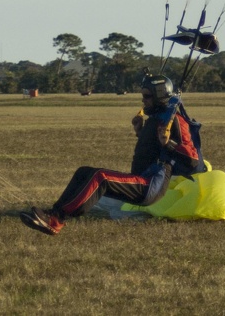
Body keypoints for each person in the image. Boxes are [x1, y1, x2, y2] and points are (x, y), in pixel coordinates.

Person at [19, 74, 201, 236]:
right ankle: (53, 214)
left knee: (101, 178)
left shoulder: (176, 120)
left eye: (147, 96)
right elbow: (151, 149)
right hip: (140, 178)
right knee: (84, 172)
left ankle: (56, 219)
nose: (143, 100)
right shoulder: (157, 119)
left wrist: (168, 143)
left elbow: (192, 160)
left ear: (159, 95)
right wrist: (140, 131)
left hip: (150, 186)